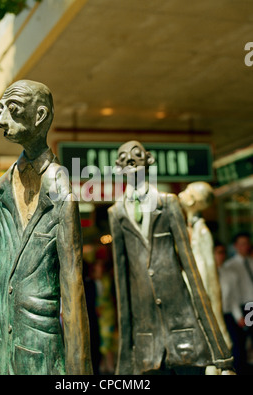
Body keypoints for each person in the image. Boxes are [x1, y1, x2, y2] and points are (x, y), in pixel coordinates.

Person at [0, 80, 92, 375]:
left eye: (12, 110)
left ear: (39, 116)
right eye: (1, 110)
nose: (0, 121)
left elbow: (72, 286)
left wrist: (79, 372)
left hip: (39, 348)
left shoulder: (60, 188)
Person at [108, 141, 234, 375]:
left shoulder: (168, 203)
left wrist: (221, 354)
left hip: (184, 331)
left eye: (136, 155)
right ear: (118, 168)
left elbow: (194, 276)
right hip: (147, 343)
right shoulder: (116, 214)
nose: (131, 161)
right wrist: (124, 363)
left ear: (149, 160)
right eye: (124, 158)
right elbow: (122, 288)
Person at [179, 182, 232, 357]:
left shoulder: (202, 231)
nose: (182, 194)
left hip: (202, 290)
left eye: (188, 191)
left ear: (194, 200)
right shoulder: (188, 227)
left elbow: (210, 272)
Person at [221, 232, 253, 374]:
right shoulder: (230, 266)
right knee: (243, 340)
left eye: (246, 243)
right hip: (245, 306)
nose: (244, 247)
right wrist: (239, 314)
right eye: (241, 244)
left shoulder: (251, 262)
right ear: (235, 246)